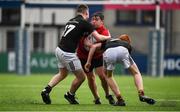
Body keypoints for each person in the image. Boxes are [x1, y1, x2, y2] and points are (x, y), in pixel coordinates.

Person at [41, 4, 111, 105]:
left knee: (62, 74)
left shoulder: (70, 21)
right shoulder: (85, 23)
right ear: (86, 13)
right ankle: (70, 95)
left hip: (58, 49)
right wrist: (108, 37)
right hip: (67, 53)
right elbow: (99, 38)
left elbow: (76, 35)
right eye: (88, 15)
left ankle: (46, 90)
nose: (88, 17)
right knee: (82, 77)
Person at [85, 34, 156, 106]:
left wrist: (89, 61)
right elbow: (127, 53)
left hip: (109, 52)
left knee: (108, 76)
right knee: (136, 73)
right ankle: (141, 93)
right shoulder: (126, 44)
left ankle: (119, 99)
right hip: (123, 50)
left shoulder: (108, 42)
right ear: (127, 41)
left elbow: (94, 47)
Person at [77, 12, 115, 105]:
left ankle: (108, 94)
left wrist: (90, 45)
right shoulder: (87, 28)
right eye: (92, 19)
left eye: (96, 19)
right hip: (83, 56)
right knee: (91, 78)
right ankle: (96, 98)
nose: (93, 21)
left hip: (97, 57)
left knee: (102, 76)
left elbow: (100, 50)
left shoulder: (104, 32)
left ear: (102, 21)